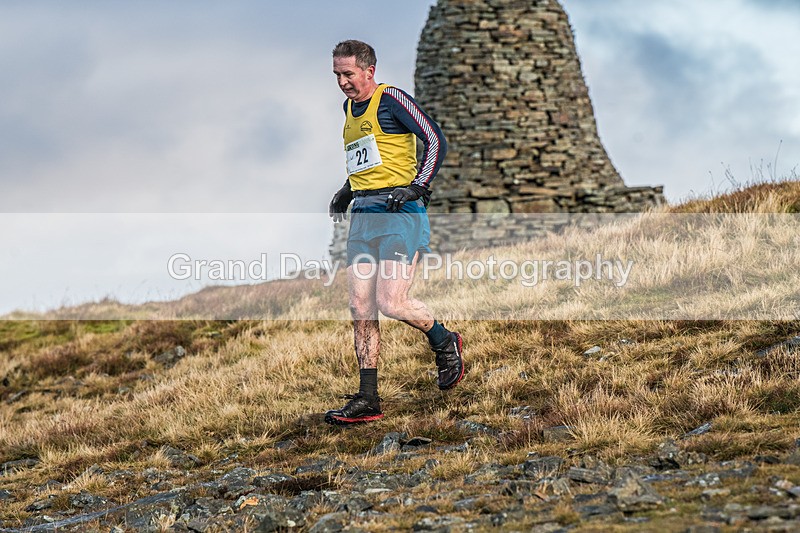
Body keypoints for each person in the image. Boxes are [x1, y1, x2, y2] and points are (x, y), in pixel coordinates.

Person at [325, 40, 464, 425]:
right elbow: (368, 158)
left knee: (391, 302)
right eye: (337, 74)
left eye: (348, 74)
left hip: (399, 213)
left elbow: (435, 139)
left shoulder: (391, 99)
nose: (342, 82)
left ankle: (444, 340)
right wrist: (346, 190)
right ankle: (368, 398)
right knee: (360, 307)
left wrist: (418, 186)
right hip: (363, 215)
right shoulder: (348, 109)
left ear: (369, 71)